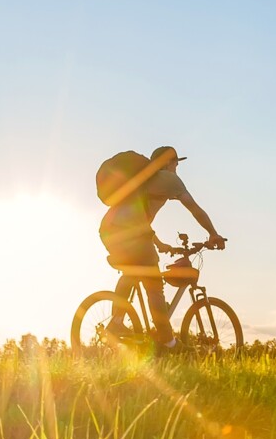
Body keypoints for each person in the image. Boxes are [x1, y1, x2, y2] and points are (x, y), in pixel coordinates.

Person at [95, 146, 227, 346]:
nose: (176, 168)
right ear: (167, 162)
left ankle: (116, 323)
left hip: (110, 231)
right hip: (129, 233)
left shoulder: (145, 183)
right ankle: (168, 343)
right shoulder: (170, 181)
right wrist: (213, 233)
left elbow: (140, 219)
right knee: (154, 286)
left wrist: (159, 243)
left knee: (132, 271)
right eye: (176, 163)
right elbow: (195, 210)